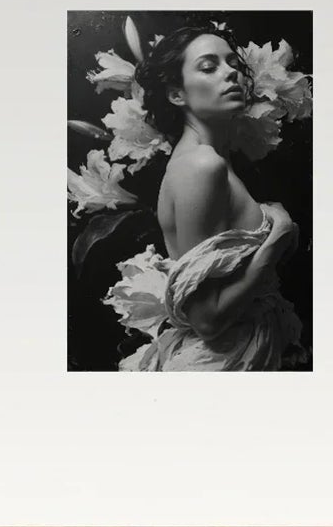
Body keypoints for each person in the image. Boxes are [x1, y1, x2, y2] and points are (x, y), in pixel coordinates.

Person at [103, 22, 308, 372]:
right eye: (209, 67)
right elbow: (207, 321)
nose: (231, 74)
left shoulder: (211, 159)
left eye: (233, 64)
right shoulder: (201, 165)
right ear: (176, 94)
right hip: (221, 362)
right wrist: (277, 239)